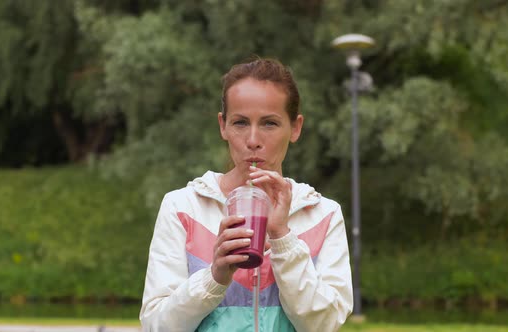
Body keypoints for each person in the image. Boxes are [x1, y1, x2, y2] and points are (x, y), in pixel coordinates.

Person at [140, 58, 353, 331]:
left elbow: (324, 324)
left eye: (269, 124)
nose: (253, 140)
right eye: (240, 123)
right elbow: (156, 326)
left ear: (295, 127)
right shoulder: (183, 207)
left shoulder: (323, 214)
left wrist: (283, 239)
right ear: (223, 126)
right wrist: (214, 277)